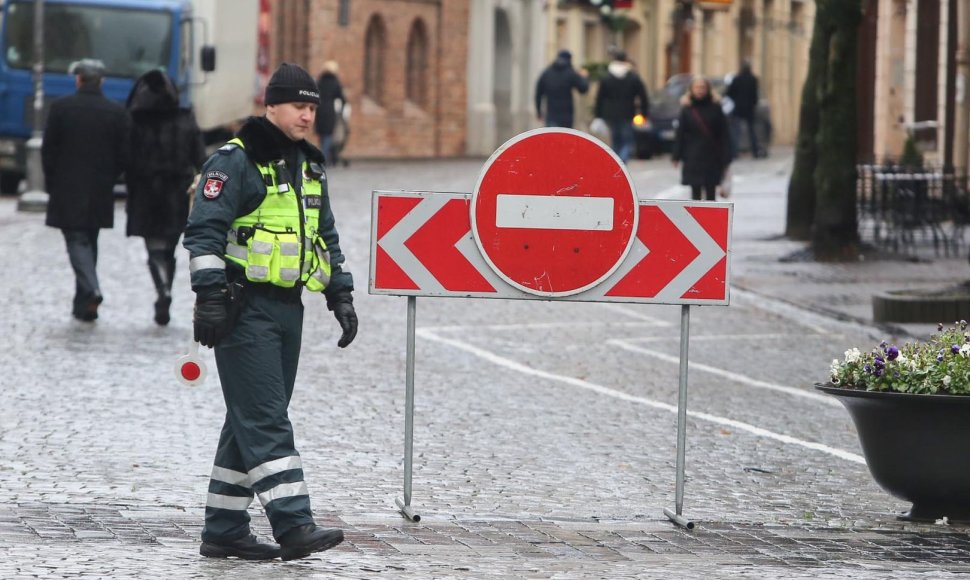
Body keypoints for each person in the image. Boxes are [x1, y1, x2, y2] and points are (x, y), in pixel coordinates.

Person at [183, 62, 358, 561]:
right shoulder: (234, 161)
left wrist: (339, 295)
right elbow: (203, 234)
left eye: (312, 107)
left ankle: (223, 530)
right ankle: (294, 523)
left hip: (288, 310)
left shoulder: (309, 164)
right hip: (243, 308)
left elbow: (324, 238)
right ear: (272, 106)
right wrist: (210, 296)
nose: (307, 116)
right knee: (264, 418)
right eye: (298, 106)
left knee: (252, 417)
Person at [42, 59, 130, 322]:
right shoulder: (116, 111)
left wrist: (52, 182)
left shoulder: (61, 107)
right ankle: (83, 305)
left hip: (67, 187)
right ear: (101, 82)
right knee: (89, 242)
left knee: (77, 241)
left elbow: (49, 150)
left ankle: (91, 290)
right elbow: (124, 155)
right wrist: (110, 178)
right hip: (100, 188)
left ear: (78, 79)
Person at [125, 69, 206, 325]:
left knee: (153, 249)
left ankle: (163, 289)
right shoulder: (185, 120)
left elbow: (126, 158)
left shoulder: (135, 121)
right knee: (168, 248)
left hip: (146, 191)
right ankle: (165, 289)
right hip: (176, 193)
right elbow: (200, 159)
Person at [671, 76, 732, 201]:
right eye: (697, 87)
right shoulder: (687, 109)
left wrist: (727, 156)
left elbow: (724, 133)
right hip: (693, 156)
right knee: (695, 192)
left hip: (712, 156)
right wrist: (676, 156)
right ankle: (695, 218)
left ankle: (710, 220)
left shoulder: (716, 108)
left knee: (711, 192)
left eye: (703, 87)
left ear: (708, 90)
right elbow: (680, 134)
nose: (700, 90)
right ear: (691, 90)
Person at [593, 51, 649, 163]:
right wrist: (644, 113)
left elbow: (599, 97)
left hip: (609, 114)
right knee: (627, 141)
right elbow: (643, 96)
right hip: (627, 113)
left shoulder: (607, 77)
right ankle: (621, 163)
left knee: (615, 140)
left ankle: (615, 163)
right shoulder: (633, 77)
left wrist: (598, 115)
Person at [535, 49, 589, 128]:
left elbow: (538, 94)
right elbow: (583, 89)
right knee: (565, 138)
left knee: (552, 138)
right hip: (567, 116)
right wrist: (584, 77)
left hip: (551, 115)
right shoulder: (570, 73)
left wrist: (539, 112)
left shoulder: (546, 73)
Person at [725, 60, 765, 158]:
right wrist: (753, 103)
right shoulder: (753, 79)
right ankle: (755, 151)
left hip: (738, 107)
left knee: (736, 131)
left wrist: (736, 100)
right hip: (749, 108)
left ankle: (734, 152)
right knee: (751, 131)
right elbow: (755, 94)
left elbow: (729, 93)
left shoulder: (737, 79)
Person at [314, 60, 346, 166]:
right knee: (328, 135)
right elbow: (342, 98)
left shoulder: (319, 82)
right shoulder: (335, 83)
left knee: (322, 135)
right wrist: (341, 111)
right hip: (329, 111)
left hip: (318, 110)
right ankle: (324, 159)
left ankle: (323, 157)